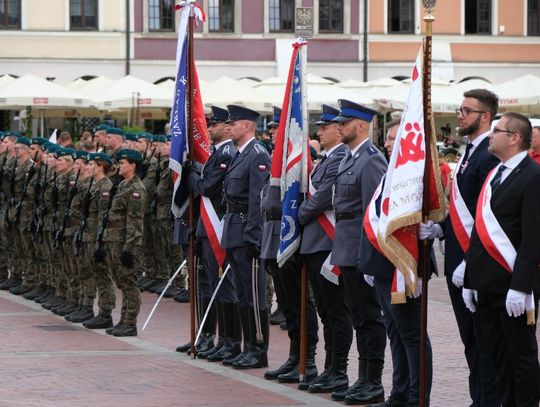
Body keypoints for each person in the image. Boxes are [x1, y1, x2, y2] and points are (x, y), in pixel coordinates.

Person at [421, 89, 500, 406]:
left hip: (475, 265)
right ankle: (477, 397)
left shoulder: (488, 155)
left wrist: (471, 260)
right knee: (470, 338)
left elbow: (486, 216)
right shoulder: (470, 153)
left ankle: (487, 400)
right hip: (458, 261)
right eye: (460, 108)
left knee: (483, 340)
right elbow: (462, 210)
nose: (460, 114)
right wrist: (439, 228)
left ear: (485, 117)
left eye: (467, 110)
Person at [463, 112, 540, 406]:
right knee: (497, 358)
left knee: (521, 358)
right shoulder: (497, 172)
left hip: (513, 289)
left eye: (497, 130)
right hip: (487, 286)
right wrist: (471, 279)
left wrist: (521, 287)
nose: (491, 135)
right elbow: (480, 230)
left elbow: (534, 238)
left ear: (515, 138)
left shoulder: (533, 177)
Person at [364, 120, 434, 407]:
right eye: (389, 138)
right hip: (382, 265)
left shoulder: (412, 174)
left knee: (412, 336)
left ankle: (418, 398)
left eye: (395, 139)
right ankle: (400, 393)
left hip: (403, 266)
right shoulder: (391, 174)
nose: (389, 143)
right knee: (395, 333)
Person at [326, 99, 387, 405]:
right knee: (357, 316)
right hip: (346, 246)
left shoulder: (371, 159)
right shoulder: (351, 158)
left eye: (344, 122)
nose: (339, 127)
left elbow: (372, 212)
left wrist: (368, 255)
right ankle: (362, 378)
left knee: (368, 316)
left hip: (361, 248)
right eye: (338, 122)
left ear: (361, 125)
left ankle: (373, 380)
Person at [262, 106, 319, 384]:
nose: (273, 132)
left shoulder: (296, 157)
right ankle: (294, 356)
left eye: (277, 128)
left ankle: (307, 359)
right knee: (286, 302)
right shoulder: (276, 157)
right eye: (272, 129)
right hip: (273, 233)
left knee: (299, 301)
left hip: (290, 233)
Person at [297, 104, 348, 392]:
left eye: (325, 127)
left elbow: (322, 198)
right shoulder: (326, 159)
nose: (320, 132)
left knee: (336, 310)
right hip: (315, 243)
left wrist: (298, 214)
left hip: (328, 243)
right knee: (326, 311)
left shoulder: (340, 158)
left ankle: (338, 369)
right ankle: (330, 367)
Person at [184, 106, 238, 358]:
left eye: (213, 125)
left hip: (216, 225)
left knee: (221, 285)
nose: (208, 130)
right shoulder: (214, 153)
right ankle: (205, 335)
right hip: (205, 227)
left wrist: (192, 174)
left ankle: (227, 339)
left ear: (227, 127)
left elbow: (208, 188)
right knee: (205, 284)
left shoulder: (227, 153)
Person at [220, 105, 271, 369]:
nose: (230, 127)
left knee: (253, 294)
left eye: (234, 122)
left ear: (248, 126)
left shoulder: (257, 154)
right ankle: (246, 345)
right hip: (233, 229)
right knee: (241, 293)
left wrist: (254, 235)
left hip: (246, 232)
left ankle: (258, 348)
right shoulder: (240, 154)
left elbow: (257, 199)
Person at [101, 149, 147, 337]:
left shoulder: (136, 189)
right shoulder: (122, 186)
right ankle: (123, 319)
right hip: (114, 242)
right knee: (122, 282)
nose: (119, 166)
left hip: (125, 244)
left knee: (130, 283)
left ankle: (130, 322)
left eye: (122, 163)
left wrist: (129, 249)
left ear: (133, 165)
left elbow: (134, 222)